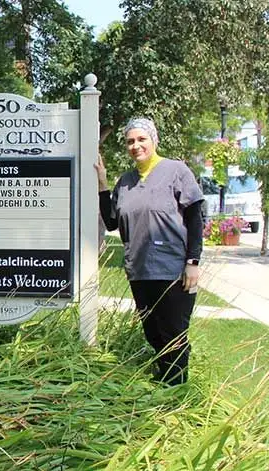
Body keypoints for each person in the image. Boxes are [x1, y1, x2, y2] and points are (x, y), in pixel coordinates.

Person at [94, 118, 203, 386]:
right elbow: (111, 222)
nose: (135, 145)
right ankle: (163, 384)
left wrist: (193, 261)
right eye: (130, 141)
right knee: (153, 333)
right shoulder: (126, 182)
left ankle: (175, 392)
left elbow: (194, 217)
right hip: (139, 271)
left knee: (173, 335)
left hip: (173, 270)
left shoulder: (176, 171)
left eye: (141, 139)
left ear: (153, 140)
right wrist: (103, 184)